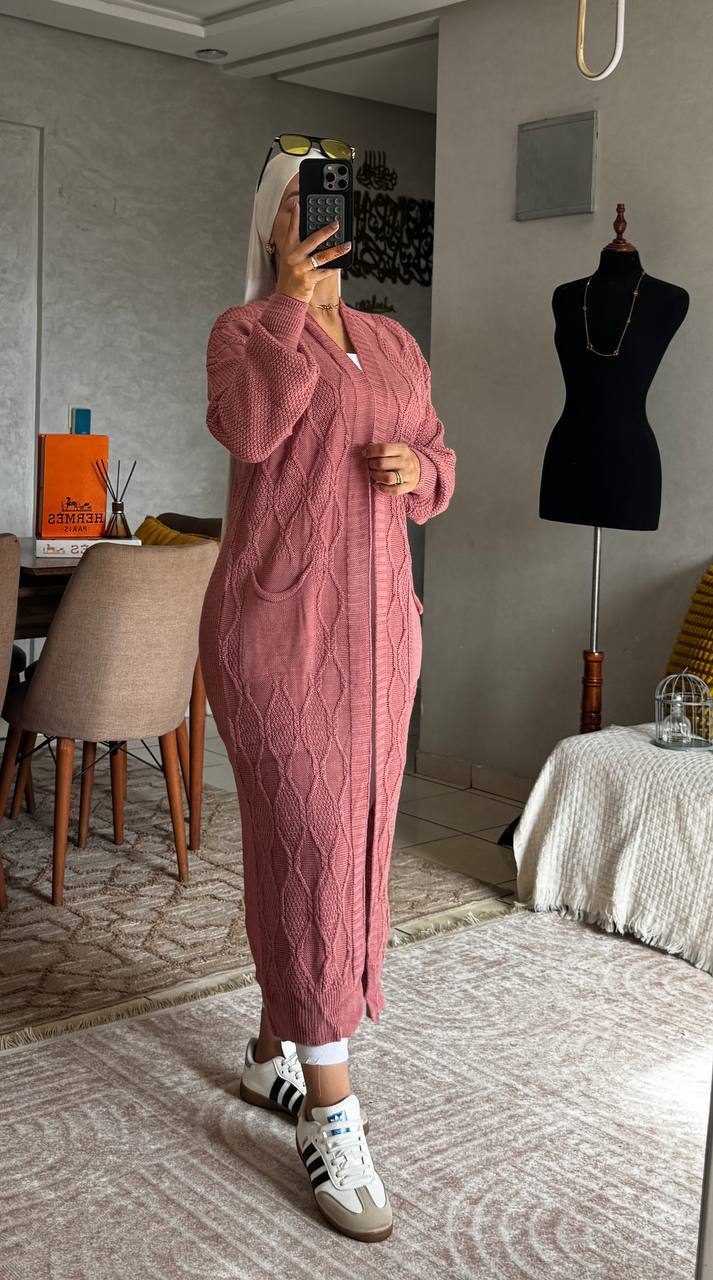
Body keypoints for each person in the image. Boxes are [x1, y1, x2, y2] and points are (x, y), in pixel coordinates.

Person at [198, 144, 456, 1243]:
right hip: (276, 636)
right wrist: (287, 306)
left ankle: (276, 1050)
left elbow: (438, 456)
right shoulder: (244, 332)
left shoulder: (394, 343)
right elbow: (252, 430)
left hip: (380, 639)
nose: (317, 220)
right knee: (309, 840)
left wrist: (418, 470)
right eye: (297, 204)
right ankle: (331, 1111)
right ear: (271, 222)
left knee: (349, 845)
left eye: (331, 202)